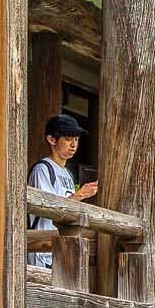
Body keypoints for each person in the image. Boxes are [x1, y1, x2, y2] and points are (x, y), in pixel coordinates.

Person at [28, 111, 97, 268]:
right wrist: (79, 196)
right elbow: (47, 208)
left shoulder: (67, 174)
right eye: (68, 139)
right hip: (42, 250)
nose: (73, 145)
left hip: (62, 249)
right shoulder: (43, 169)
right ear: (52, 139)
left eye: (76, 140)